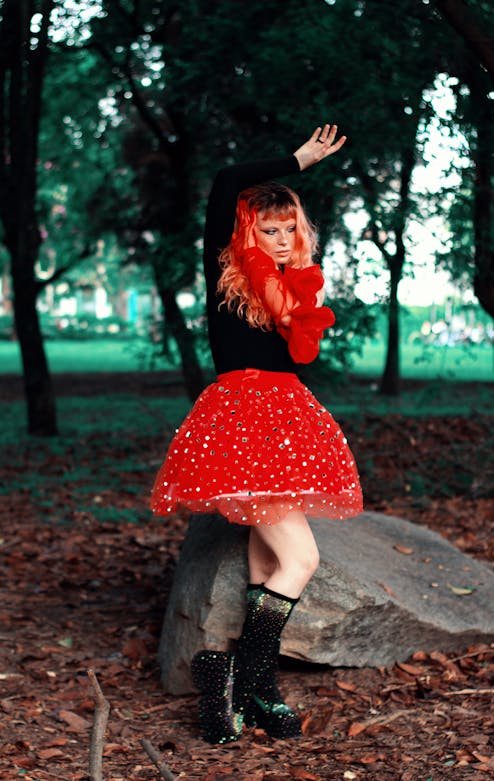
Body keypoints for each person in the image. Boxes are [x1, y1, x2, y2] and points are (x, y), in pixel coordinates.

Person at [150, 124, 363, 744]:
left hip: (288, 420)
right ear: (246, 231)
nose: (278, 239)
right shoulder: (227, 271)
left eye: (287, 229)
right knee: (302, 558)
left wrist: (297, 303)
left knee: (269, 557)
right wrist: (298, 161)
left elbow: (297, 356)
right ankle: (238, 674)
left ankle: (253, 691)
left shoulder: (294, 292)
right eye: (266, 230)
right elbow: (224, 181)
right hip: (242, 420)